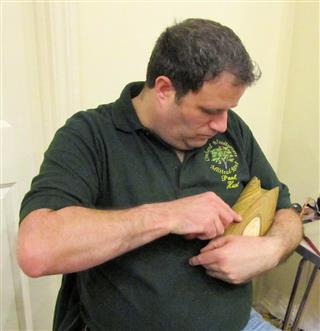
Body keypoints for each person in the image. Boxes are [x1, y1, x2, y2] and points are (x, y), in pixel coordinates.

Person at [17, 18, 302, 331]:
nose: (222, 125)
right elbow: (37, 249)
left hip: (241, 324)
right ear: (165, 89)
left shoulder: (232, 130)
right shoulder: (90, 135)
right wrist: (168, 216)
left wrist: (270, 251)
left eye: (228, 110)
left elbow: (285, 212)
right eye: (209, 111)